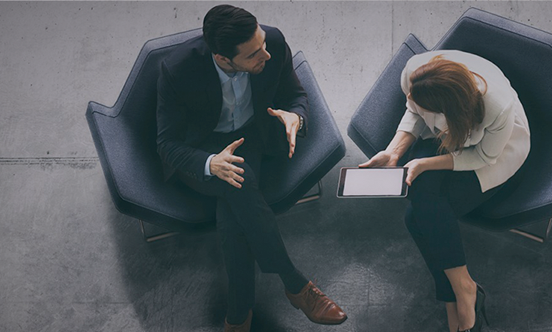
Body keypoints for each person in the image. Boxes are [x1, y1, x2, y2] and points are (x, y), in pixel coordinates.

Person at [156, 5, 347, 332]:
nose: (267, 55)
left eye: (263, 44)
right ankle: (296, 285)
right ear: (222, 58)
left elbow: (296, 94)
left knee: (234, 213)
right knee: (237, 185)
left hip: (251, 139)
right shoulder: (178, 70)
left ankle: (239, 315)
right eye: (255, 54)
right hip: (201, 150)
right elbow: (167, 144)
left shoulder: (271, 42)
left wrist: (294, 117)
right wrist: (211, 163)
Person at [360, 50, 530, 332]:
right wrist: (393, 152)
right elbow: (413, 110)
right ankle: (462, 288)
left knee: (416, 218)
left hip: (495, 154)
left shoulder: (497, 107)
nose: (412, 100)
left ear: (448, 110)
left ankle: (456, 293)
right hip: (446, 139)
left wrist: (425, 163)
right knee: (421, 202)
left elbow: (484, 157)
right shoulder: (414, 74)